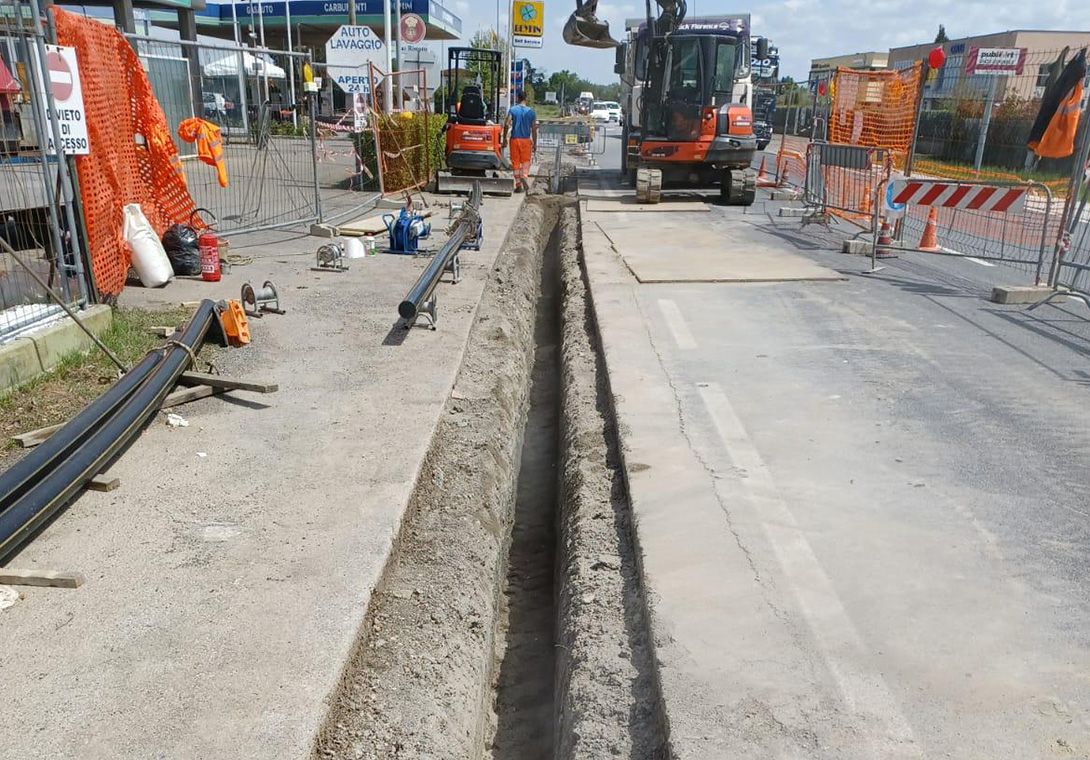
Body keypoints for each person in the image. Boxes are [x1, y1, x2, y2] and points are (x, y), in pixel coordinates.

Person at [504, 91, 537, 193]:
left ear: (518, 98)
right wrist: (535, 143)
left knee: (516, 162)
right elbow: (534, 129)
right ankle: (524, 176)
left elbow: (507, 124)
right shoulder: (531, 112)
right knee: (526, 161)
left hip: (514, 140)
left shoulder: (513, 110)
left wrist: (504, 138)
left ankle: (518, 185)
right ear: (526, 99)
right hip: (526, 140)